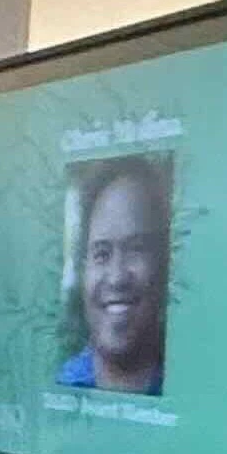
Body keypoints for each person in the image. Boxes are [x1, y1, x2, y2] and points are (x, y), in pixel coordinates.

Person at [58, 156, 170, 394]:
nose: (116, 277)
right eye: (102, 254)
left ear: (164, 263)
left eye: (136, 248)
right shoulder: (61, 390)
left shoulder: (193, 387)